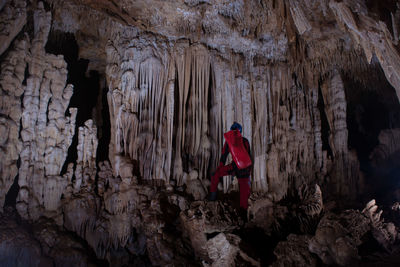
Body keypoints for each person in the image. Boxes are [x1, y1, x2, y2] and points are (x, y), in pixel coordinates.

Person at [209, 122, 252, 212]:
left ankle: (212, 199)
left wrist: (220, 168)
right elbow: (248, 157)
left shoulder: (229, 142)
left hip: (234, 167)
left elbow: (224, 155)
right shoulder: (245, 141)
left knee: (215, 175)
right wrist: (249, 172)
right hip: (244, 170)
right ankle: (243, 213)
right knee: (244, 193)